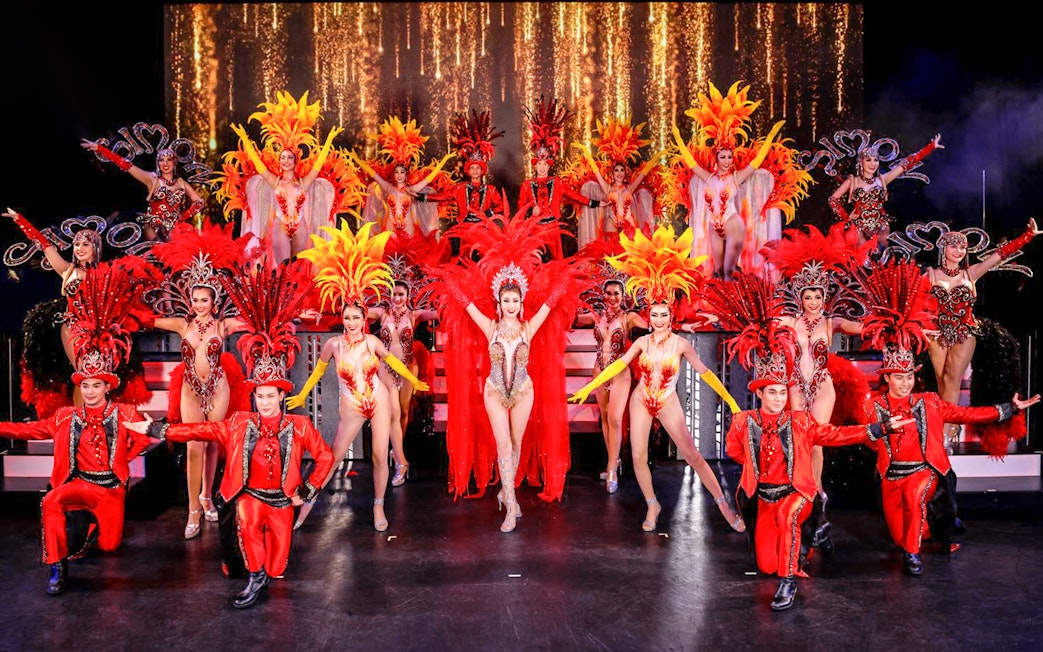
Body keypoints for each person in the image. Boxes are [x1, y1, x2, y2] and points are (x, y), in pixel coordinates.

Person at [569, 226, 745, 532]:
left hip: (667, 401)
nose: (659, 320)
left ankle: (724, 505)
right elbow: (617, 365)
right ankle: (652, 505)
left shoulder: (681, 344)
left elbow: (706, 374)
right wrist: (590, 387)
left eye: (664, 315)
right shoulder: (641, 342)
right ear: (649, 317)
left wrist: (730, 400)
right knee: (638, 456)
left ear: (671, 317)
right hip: (641, 399)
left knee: (692, 455)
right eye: (655, 315)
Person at [129, 351, 335, 609]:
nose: (265, 403)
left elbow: (326, 456)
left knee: (277, 568)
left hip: (283, 501)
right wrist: (157, 429)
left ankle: (263, 572)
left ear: (282, 396)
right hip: (251, 496)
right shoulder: (239, 423)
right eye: (260, 396)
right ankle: (254, 578)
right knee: (248, 526)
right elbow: (200, 430)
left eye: (271, 396)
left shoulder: (300, 425)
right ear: (254, 397)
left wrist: (307, 491)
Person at [0, 258, 157, 595]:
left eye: (95, 386)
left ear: (106, 387)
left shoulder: (124, 412)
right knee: (51, 501)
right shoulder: (66, 416)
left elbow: (146, 437)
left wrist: (125, 457)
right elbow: (28, 431)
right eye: (85, 386)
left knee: (110, 547)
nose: (89, 391)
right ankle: (57, 567)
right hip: (80, 484)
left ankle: (88, 527)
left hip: (111, 490)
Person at [725, 348, 904, 611]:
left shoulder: (801, 421)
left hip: (795, 493)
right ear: (759, 393)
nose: (778, 398)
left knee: (788, 519)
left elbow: (836, 435)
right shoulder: (743, 422)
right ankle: (809, 540)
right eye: (772, 392)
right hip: (763, 497)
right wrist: (756, 466)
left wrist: (877, 428)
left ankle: (788, 582)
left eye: (782, 392)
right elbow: (734, 451)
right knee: (766, 565)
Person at [289, 221, 430, 531]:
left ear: (365, 318)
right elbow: (318, 372)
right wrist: (303, 394)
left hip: (378, 401)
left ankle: (379, 507)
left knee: (380, 456)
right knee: (332, 458)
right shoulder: (333, 345)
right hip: (351, 406)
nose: (351, 322)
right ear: (342, 318)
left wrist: (414, 380)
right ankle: (305, 510)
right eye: (347, 317)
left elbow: (395, 363)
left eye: (356, 317)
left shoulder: (372, 342)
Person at [862, 344, 1039, 576]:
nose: (905, 383)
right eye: (899, 377)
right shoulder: (871, 407)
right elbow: (867, 438)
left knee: (914, 501)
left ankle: (912, 556)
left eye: (909, 377)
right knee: (898, 535)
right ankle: (923, 536)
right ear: (887, 378)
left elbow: (968, 414)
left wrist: (1010, 409)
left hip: (923, 471)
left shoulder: (930, 402)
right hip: (891, 475)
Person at [760, 222, 874, 549]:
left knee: (817, 443)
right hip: (796, 386)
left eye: (817, 296)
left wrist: (888, 322)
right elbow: (763, 321)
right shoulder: (790, 321)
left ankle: (817, 493)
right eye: (808, 296)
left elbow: (861, 328)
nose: (812, 302)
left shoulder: (831, 322)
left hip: (822, 387)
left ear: (825, 297)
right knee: (799, 442)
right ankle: (804, 492)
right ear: (800, 297)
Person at [144, 223, 251, 540]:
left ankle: (207, 496)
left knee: (213, 444)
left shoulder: (224, 325)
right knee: (194, 447)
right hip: (190, 389)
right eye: (195, 299)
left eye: (204, 299)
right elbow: (148, 320)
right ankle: (193, 508)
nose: (199, 304)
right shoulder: (182, 324)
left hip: (218, 388)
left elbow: (253, 320)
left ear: (214, 301)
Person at [924, 219, 1041, 448]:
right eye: (953, 246)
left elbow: (1000, 255)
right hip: (935, 334)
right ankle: (948, 424)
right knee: (941, 380)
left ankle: (947, 431)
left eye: (962, 247)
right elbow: (912, 301)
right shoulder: (930, 276)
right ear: (943, 249)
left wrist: (1027, 236)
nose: (959, 251)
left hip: (965, 333)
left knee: (952, 378)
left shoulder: (970, 274)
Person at [671, 81, 798, 279]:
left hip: (733, 224)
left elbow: (756, 162)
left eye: (730, 157)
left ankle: (736, 295)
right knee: (717, 271)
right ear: (716, 158)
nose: (727, 160)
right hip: (714, 226)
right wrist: (678, 139)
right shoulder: (708, 178)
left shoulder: (736, 178)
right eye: (723, 157)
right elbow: (691, 163)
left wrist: (771, 136)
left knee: (729, 271)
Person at [572, 276, 648, 492]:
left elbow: (652, 324)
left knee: (615, 419)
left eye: (616, 294)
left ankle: (612, 468)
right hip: (599, 371)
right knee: (605, 417)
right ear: (603, 295)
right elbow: (573, 319)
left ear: (623, 296)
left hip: (619, 373)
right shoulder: (595, 316)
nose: (612, 297)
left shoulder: (629, 317)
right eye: (608, 293)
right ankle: (613, 461)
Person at [228, 120, 341, 261]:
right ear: (280, 162)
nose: (286, 160)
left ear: (295, 161)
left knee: (297, 265)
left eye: (289, 157)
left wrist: (329, 139)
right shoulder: (275, 182)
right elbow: (257, 163)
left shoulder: (303, 183)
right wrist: (244, 138)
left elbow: (318, 164)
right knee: (283, 266)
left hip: (300, 226)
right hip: (280, 225)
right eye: (283, 158)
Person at [4, 209, 102, 367]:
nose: (80, 248)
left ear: (95, 247)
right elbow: (44, 244)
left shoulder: (106, 273)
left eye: (85, 244)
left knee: (99, 374)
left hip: (100, 330)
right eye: (76, 244)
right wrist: (21, 220)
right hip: (72, 329)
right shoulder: (68, 270)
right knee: (83, 372)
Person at [369, 278, 439, 487]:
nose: (397, 298)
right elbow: (359, 311)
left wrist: (451, 297)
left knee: (404, 411)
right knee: (393, 412)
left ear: (408, 296)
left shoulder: (414, 315)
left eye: (401, 294)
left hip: (409, 367)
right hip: (387, 369)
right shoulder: (382, 313)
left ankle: (396, 448)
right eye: (394, 294)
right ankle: (401, 461)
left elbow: (439, 314)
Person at [514, 96, 601, 259]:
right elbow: (520, 208)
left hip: (553, 227)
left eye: (544, 164)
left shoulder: (557, 182)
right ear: (535, 166)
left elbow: (574, 196)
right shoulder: (526, 185)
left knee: (557, 259)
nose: (542, 167)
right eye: (539, 164)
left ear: (549, 166)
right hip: (535, 228)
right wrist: (530, 212)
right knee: (535, 260)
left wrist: (594, 202)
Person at [828, 134, 943, 249]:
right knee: (862, 255)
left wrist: (930, 147)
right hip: (859, 228)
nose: (873, 164)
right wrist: (846, 217)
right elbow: (833, 199)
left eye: (875, 160)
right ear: (861, 162)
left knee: (882, 254)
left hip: (881, 227)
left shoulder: (882, 180)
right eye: (868, 160)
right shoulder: (853, 181)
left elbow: (906, 164)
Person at [80, 139, 204, 241]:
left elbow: (199, 202)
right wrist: (100, 149)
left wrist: (183, 218)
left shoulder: (181, 183)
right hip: (154, 228)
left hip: (175, 230)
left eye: (169, 160)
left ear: (174, 163)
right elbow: (127, 165)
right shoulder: (152, 179)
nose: (165, 163)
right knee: (159, 256)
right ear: (158, 163)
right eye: (162, 160)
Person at [354, 116, 454, 238]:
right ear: (393, 174)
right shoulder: (388, 187)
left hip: (408, 228)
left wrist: (444, 160)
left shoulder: (411, 189)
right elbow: (373, 174)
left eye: (402, 172)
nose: (399, 175)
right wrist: (356, 160)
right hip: (390, 227)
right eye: (397, 172)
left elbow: (429, 179)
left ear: (406, 175)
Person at [572, 115, 664, 244]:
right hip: (612, 221)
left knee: (629, 247)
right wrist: (585, 151)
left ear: (625, 173)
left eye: (622, 170)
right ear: (612, 173)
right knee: (610, 245)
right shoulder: (608, 188)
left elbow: (643, 174)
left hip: (628, 221)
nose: (619, 173)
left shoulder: (630, 188)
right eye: (616, 170)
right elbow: (596, 172)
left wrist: (658, 156)